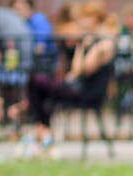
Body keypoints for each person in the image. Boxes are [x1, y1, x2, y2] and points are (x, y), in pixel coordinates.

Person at [24, 0, 119, 151]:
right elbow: (75, 71)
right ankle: (43, 130)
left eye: (83, 18)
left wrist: (83, 46)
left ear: (94, 19)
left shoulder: (103, 44)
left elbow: (82, 70)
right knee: (36, 85)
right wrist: (81, 46)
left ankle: (43, 131)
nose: (80, 23)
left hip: (88, 92)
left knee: (36, 81)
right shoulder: (91, 40)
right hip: (77, 87)